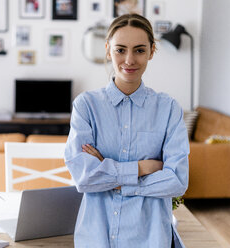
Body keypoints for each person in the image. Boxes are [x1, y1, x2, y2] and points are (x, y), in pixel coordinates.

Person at [64, 14, 189, 248]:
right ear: (108, 50)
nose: (129, 60)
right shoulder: (86, 106)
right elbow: (83, 177)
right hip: (95, 238)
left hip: (150, 239)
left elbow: (177, 181)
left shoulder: (168, 109)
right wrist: (142, 168)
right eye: (120, 50)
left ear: (152, 51)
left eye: (139, 50)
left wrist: (111, 173)